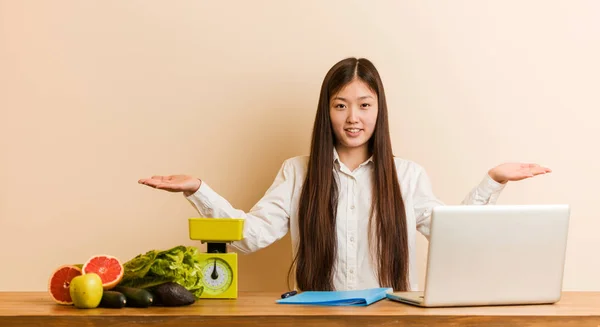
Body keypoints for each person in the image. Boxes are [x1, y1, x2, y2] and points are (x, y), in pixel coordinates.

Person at [138, 57, 551, 292]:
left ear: (378, 109)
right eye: (340, 105)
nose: (353, 118)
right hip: (314, 318)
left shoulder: (407, 176)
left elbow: (457, 237)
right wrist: (198, 190)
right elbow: (249, 236)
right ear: (327, 111)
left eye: (364, 105)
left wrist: (493, 181)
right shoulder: (297, 172)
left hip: (391, 319)